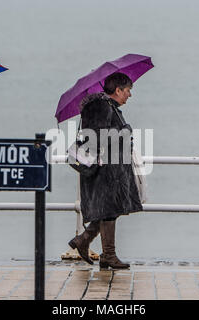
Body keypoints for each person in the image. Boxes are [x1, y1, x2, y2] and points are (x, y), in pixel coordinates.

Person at [68, 72, 143, 269]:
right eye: (127, 91)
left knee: (109, 210)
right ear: (118, 90)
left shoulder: (108, 106)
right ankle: (107, 254)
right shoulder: (101, 106)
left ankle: (86, 241)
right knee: (109, 209)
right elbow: (98, 137)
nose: (129, 95)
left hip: (110, 168)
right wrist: (124, 132)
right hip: (104, 170)